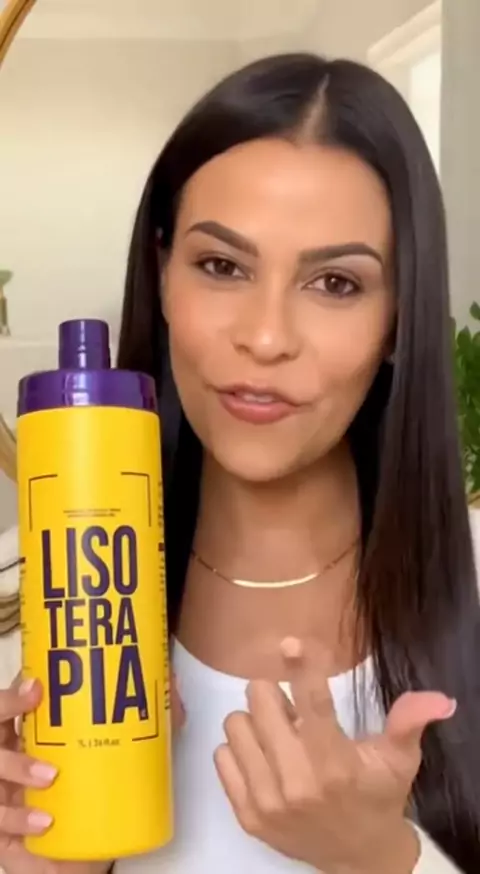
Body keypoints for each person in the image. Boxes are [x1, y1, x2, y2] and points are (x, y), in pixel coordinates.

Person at [0, 51, 478, 874]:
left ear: (399, 320)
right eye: (222, 267)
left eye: (335, 283)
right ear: (163, 274)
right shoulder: (21, 608)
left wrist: (381, 859)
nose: (264, 336)